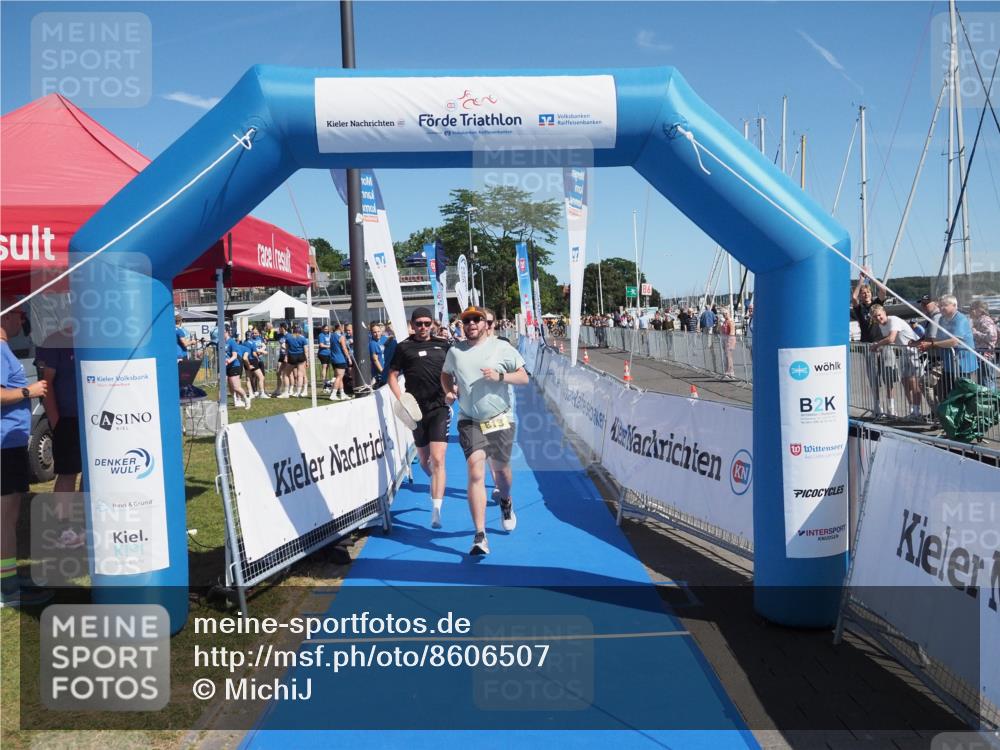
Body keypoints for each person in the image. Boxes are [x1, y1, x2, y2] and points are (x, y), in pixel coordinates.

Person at [442, 305, 529, 556]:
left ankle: (506, 500)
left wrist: (500, 377)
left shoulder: (501, 348)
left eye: (476, 320)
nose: (471, 325)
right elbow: (446, 374)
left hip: (500, 418)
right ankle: (480, 535)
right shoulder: (455, 352)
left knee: (501, 474)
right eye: (466, 321)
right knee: (475, 471)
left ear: (485, 324)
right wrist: (448, 391)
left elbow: (523, 377)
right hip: (469, 419)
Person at [1, 301, 51, 607]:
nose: (23, 319)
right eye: (21, 314)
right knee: (6, 518)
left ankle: (9, 579)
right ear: (6, 315)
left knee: (11, 515)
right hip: (4, 444)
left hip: (12, 442)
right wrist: (28, 392)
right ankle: (6, 590)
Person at [387, 307, 452, 528]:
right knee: (425, 461)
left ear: (432, 324)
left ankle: (436, 509)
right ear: (412, 325)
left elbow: (456, 371)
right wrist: (402, 400)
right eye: (419, 324)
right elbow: (392, 377)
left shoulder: (443, 345)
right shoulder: (404, 347)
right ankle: (435, 482)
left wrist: (454, 390)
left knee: (438, 458)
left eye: (427, 323)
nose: (423, 327)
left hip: (439, 407)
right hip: (415, 410)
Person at [35, 328, 85, 547]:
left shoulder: (96, 337)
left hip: (96, 419)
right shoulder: (54, 341)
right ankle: (64, 528)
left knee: (94, 472)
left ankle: (85, 525)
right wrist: (56, 421)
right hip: (67, 418)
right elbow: (46, 385)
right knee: (67, 473)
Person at [918, 294, 977, 404]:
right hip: (949, 363)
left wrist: (931, 344)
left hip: (963, 364)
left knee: (962, 394)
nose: (941, 308)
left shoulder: (960, 319)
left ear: (954, 305)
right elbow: (940, 338)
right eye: (940, 306)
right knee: (943, 392)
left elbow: (954, 341)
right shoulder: (942, 319)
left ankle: (962, 418)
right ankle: (943, 415)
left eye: (944, 305)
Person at [870, 304, 924, 421]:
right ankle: (912, 409)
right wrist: (879, 347)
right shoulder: (881, 325)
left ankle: (917, 412)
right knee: (904, 381)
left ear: (884, 312)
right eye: (875, 317)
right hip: (904, 352)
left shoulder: (893, 320)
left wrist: (877, 344)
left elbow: (891, 338)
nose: (879, 318)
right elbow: (889, 342)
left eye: (879, 315)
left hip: (915, 350)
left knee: (914, 381)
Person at [969, 300, 998, 390]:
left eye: (972, 309)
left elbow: (992, 336)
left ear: (979, 310)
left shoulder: (985, 320)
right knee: (984, 379)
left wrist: (975, 333)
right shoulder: (980, 320)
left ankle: (990, 401)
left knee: (987, 380)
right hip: (982, 353)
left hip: (985, 354)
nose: (971, 311)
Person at [224, 329, 251, 409]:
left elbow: (234, 356)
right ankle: (234, 400)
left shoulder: (232, 342)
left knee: (236, 387)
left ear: (227, 332)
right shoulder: (221, 342)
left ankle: (246, 399)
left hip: (234, 365)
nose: (221, 333)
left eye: (223, 332)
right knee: (228, 385)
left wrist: (228, 361)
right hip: (225, 366)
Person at [284, 325, 309, 397]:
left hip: (292, 356)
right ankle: (298, 392)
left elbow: (286, 349)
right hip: (301, 356)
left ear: (293, 331)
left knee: (286, 374)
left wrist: (286, 357)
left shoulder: (288, 338)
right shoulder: (303, 339)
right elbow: (306, 351)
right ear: (300, 332)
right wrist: (307, 361)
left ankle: (286, 391)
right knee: (300, 375)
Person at [317, 324, 333, 392]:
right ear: (323, 329)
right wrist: (329, 347)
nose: (326, 330)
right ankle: (324, 381)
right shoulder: (321, 335)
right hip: (323, 353)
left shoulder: (330, 335)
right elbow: (321, 344)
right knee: (324, 367)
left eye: (327, 329)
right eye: (325, 329)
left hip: (329, 353)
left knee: (327, 367)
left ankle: (326, 380)